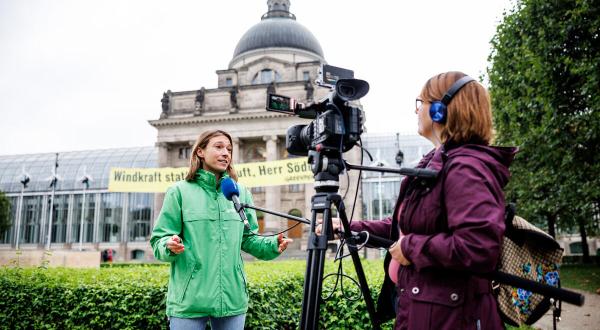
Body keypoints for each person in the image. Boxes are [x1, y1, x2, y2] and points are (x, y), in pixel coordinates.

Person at [318, 71, 517, 329]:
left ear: (439, 111)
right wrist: (348, 227)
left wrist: (411, 248)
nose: (416, 111)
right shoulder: (441, 161)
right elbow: (404, 228)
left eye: (420, 103)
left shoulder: (466, 168)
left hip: (451, 319)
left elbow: (478, 247)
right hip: (426, 309)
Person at [150, 129, 292, 330]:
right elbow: (159, 240)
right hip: (189, 301)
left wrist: (272, 244)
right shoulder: (179, 192)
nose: (226, 153)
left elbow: (248, 238)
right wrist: (168, 245)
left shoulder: (241, 193)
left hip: (232, 299)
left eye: (229, 149)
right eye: (218, 147)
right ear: (200, 151)